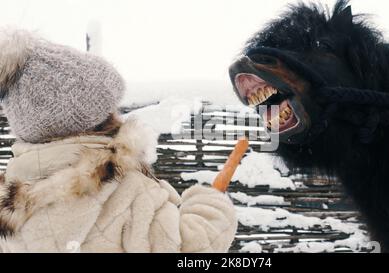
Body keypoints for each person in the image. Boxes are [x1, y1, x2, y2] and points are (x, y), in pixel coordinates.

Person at [0, 29, 237, 253]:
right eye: (108, 107)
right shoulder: (125, 190)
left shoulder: (8, 204)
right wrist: (211, 206)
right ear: (94, 120)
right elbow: (185, 247)